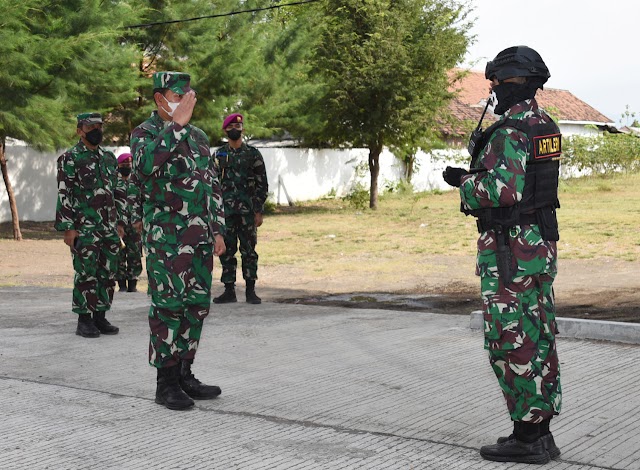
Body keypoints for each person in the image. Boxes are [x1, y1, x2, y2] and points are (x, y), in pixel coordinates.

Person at [442, 46, 562, 465]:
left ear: (515, 82)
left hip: (510, 251)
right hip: (538, 247)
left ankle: (527, 439)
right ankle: (540, 432)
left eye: (496, 80)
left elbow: (503, 191)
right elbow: (528, 184)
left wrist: (464, 183)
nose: (492, 87)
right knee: (539, 336)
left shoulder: (511, 130)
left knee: (512, 340)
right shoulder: (545, 125)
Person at [130, 71, 226, 411]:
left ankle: (185, 374)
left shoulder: (199, 137)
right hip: (166, 240)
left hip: (200, 238)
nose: (184, 102)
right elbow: (142, 168)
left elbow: (211, 184)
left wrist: (218, 230)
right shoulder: (146, 133)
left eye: (188, 97)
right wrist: (175, 127)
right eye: (177, 96)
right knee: (168, 307)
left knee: (196, 306)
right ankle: (165, 383)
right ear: (160, 99)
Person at [55, 112, 125, 338]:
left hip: (109, 227)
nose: (96, 131)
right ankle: (84, 320)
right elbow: (64, 194)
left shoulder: (108, 158)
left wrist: (120, 221)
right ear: (79, 131)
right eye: (91, 127)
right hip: (84, 227)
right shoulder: (70, 158)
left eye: (99, 127)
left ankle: (100, 317)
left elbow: (118, 192)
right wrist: (68, 227)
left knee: (107, 272)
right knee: (86, 273)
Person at [212, 113, 269, 305]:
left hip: (247, 212)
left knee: (249, 251)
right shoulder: (219, 155)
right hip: (226, 213)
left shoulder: (253, 154)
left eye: (238, 127)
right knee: (226, 252)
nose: (235, 130)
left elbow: (262, 184)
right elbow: (212, 184)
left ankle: (251, 291)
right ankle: (229, 291)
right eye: (231, 128)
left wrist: (258, 210)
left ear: (242, 129)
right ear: (225, 130)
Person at [114, 152, 143, 293]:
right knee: (119, 253)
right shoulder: (112, 180)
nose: (126, 166)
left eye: (129, 164)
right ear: (118, 165)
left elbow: (143, 199)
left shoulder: (136, 180)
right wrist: (117, 223)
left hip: (135, 223)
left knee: (135, 253)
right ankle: (122, 285)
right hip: (118, 224)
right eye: (123, 164)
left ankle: (133, 285)